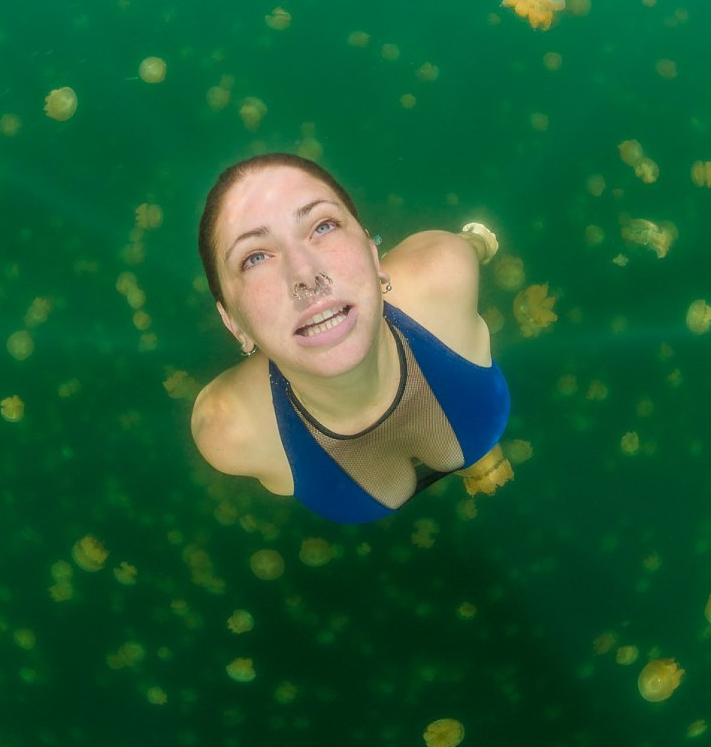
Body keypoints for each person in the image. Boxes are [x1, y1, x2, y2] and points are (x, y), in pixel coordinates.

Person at [192, 153, 511, 524]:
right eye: (254, 258)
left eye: (323, 226)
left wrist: (476, 244)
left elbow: (458, 253)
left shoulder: (442, 272)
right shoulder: (227, 431)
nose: (306, 275)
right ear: (234, 324)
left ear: (374, 255)